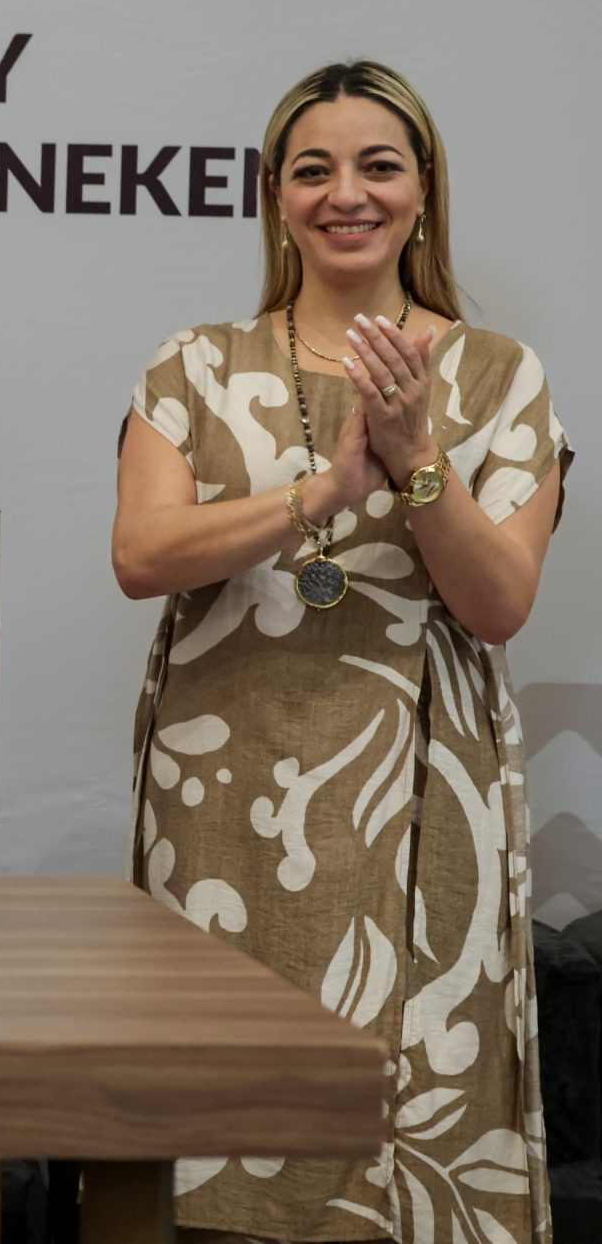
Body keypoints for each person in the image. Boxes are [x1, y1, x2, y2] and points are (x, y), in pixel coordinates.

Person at [112, 61, 566, 1244]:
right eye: (312, 169)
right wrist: (319, 492)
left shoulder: (500, 373)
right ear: (276, 196)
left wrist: (417, 460)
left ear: (424, 189)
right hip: (222, 789)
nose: (345, 193)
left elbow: (498, 600)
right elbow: (141, 554)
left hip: (423, 793)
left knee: (406, 1121)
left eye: (378, 165)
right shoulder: (193, 363)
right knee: (213, 1108)